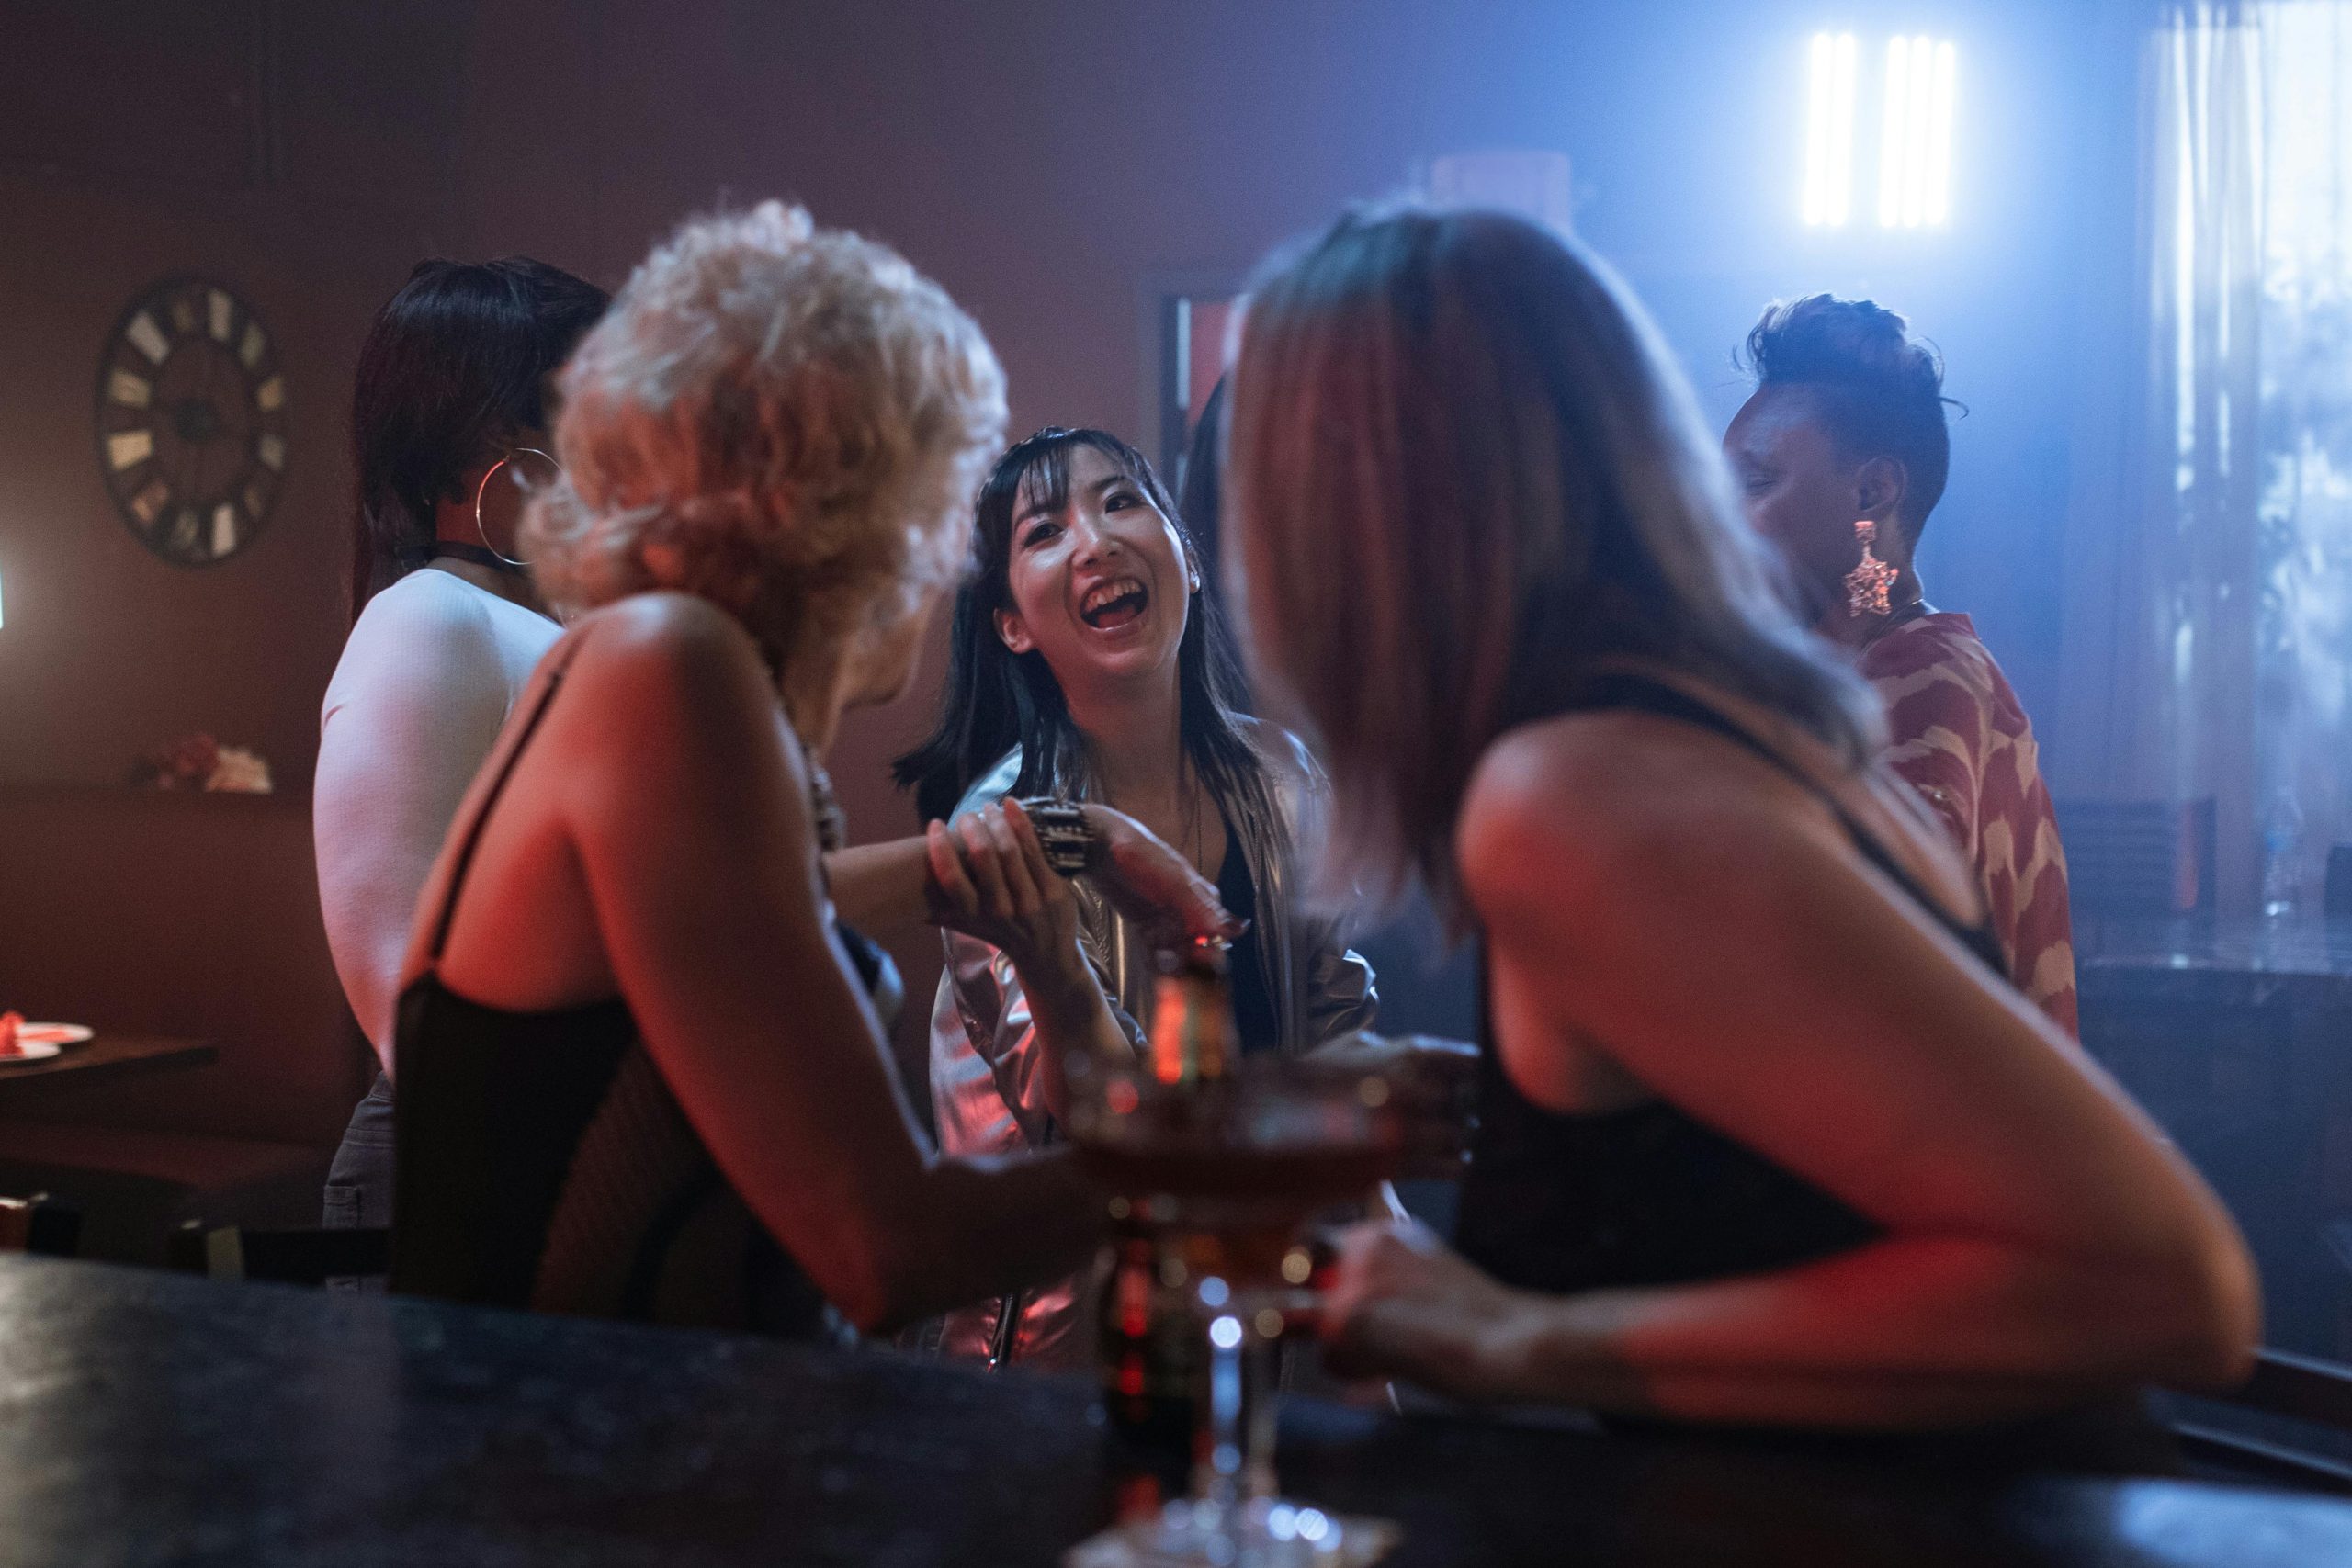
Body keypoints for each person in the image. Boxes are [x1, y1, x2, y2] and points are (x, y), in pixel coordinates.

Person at [1228, 208, 2256, 1435]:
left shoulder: (1574, 792)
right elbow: (1794, 1164)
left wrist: (1524, 1338)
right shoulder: (1738, 727)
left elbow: (2163, 1281)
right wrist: (1541, 1113)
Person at [387, 202, 1136, 1336]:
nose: (946, 560)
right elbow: (886, 1244)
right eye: (939, 506)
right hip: (562, 1489)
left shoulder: (655, 670)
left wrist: (1079, 854)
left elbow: (748, 920)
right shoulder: (670, 672)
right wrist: (1260, 1141)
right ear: (853, 513)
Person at [895, 426, 1379, 1368]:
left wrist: (1374, 1203)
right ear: (1012, 625)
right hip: (1059, 1335)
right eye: (1044, 531)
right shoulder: (1002, 825)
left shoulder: (1282, 776)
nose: (1095, 541)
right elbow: (1098, 1114)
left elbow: (1328, 1020)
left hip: (1269, 1288)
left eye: (1121, 501)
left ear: (1187, 562)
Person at [314, 257, 608, 1233]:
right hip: (471, 1175)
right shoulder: (429, 621)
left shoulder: (557, 637)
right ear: (496, 442)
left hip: (575, 1166)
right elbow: (409, 1011)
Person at [1726, 295, 2078, 1033]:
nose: (1721, 515)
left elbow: (1882, 968)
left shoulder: (1927, 676)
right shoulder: (1849, 677)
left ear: (1871, 493)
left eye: (1755, 484)